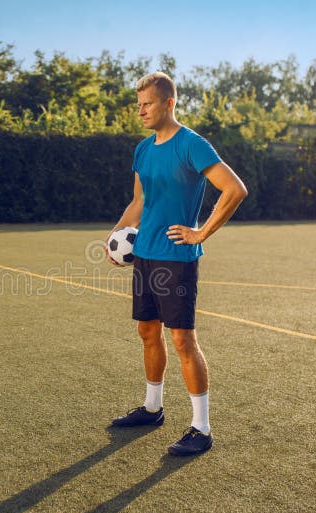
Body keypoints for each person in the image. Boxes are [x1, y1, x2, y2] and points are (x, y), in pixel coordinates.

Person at [106, 72, 248, 456]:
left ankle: (201, 428)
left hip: (177, 259)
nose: (141, 111)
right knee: (147, 332)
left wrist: (201, 232)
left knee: (183, 339)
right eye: (138, 104)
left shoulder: (192, 144)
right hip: (145, 256)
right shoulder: (143, 149)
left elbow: (235, 189)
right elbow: (139, 201)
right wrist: (116, 237)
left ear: (169, 103)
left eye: (147, 103)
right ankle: (152, 409)